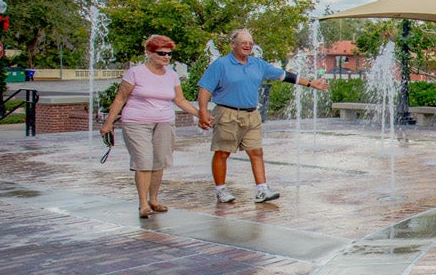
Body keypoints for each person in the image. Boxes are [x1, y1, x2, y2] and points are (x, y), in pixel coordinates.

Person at [196, 28, 329, 204]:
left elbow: (284, 75)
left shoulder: (258, 64)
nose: (247, 46)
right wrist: (203, 111)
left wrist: (311, 83)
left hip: (252, 114)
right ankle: (220, 190)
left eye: (250, 43)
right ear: (233, 44)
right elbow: (205, 89)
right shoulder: (221, 65)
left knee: (256, 151)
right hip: (227, 113)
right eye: (243, 43)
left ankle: (262, 189)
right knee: (222, 152)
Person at [99, 35, 203, 218]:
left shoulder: (171, 75)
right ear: (149, 53)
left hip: (164, 122)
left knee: (159, 161)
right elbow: (121, 98)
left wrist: (200, 114)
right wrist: (108, 124)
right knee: (143, 161)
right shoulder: (135, 73)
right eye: (161, 53)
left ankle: (154, 199)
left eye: (169, 54)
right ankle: (143, 204)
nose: (166, 57)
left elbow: (179, 99)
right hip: (136, 122)